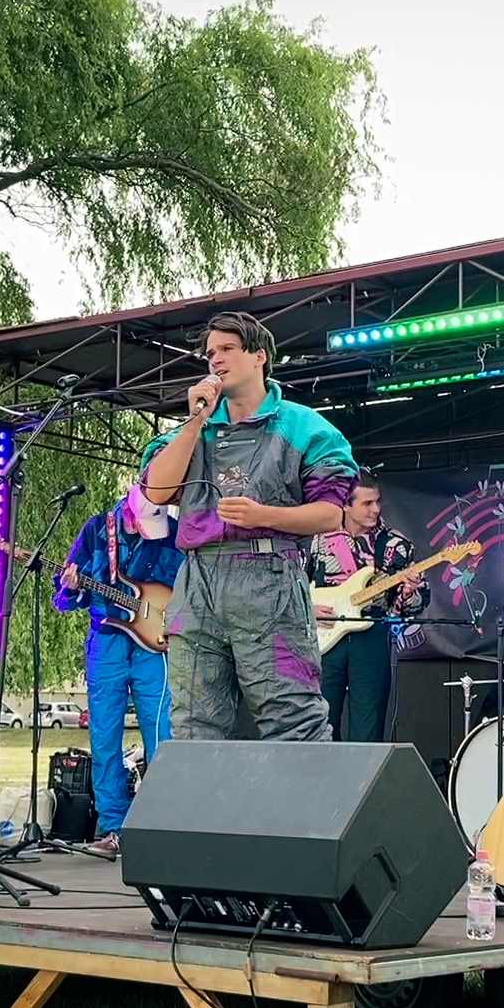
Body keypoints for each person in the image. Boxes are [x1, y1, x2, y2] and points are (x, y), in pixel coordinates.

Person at [139, 312, 357, 741]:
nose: (216, 360)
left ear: (259, 356)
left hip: (268, 575)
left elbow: (330, 514)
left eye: (227, 349)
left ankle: (305, 789)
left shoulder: (303, 426)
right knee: (192, 723)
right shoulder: (192, 430)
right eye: (210, 354)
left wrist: (264, 516)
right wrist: (195, 420)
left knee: (292, 718)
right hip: (197, 579)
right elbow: (157, 491)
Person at [54, 482, 184, 855]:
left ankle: (163, 827)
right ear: (130, 505)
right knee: (104, 738)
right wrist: (72, 587)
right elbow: (63, 598)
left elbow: (189, 587)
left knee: (162, 735)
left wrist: (172, 615)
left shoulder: (171, 531)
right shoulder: (96, 529)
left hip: (154, 646)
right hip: (106, 640)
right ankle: (114, 830)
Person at [307, 469, 429, 741]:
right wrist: (307, 609)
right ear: (345, 505)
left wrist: (409, 593)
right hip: (324, 639)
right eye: (367, 503)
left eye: (377, 502)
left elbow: (420, 602)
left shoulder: (396, 544)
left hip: (372, 638)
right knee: (320, 724)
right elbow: (292, 586)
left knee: (368, 728)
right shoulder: (316, 540)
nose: (375, 509)